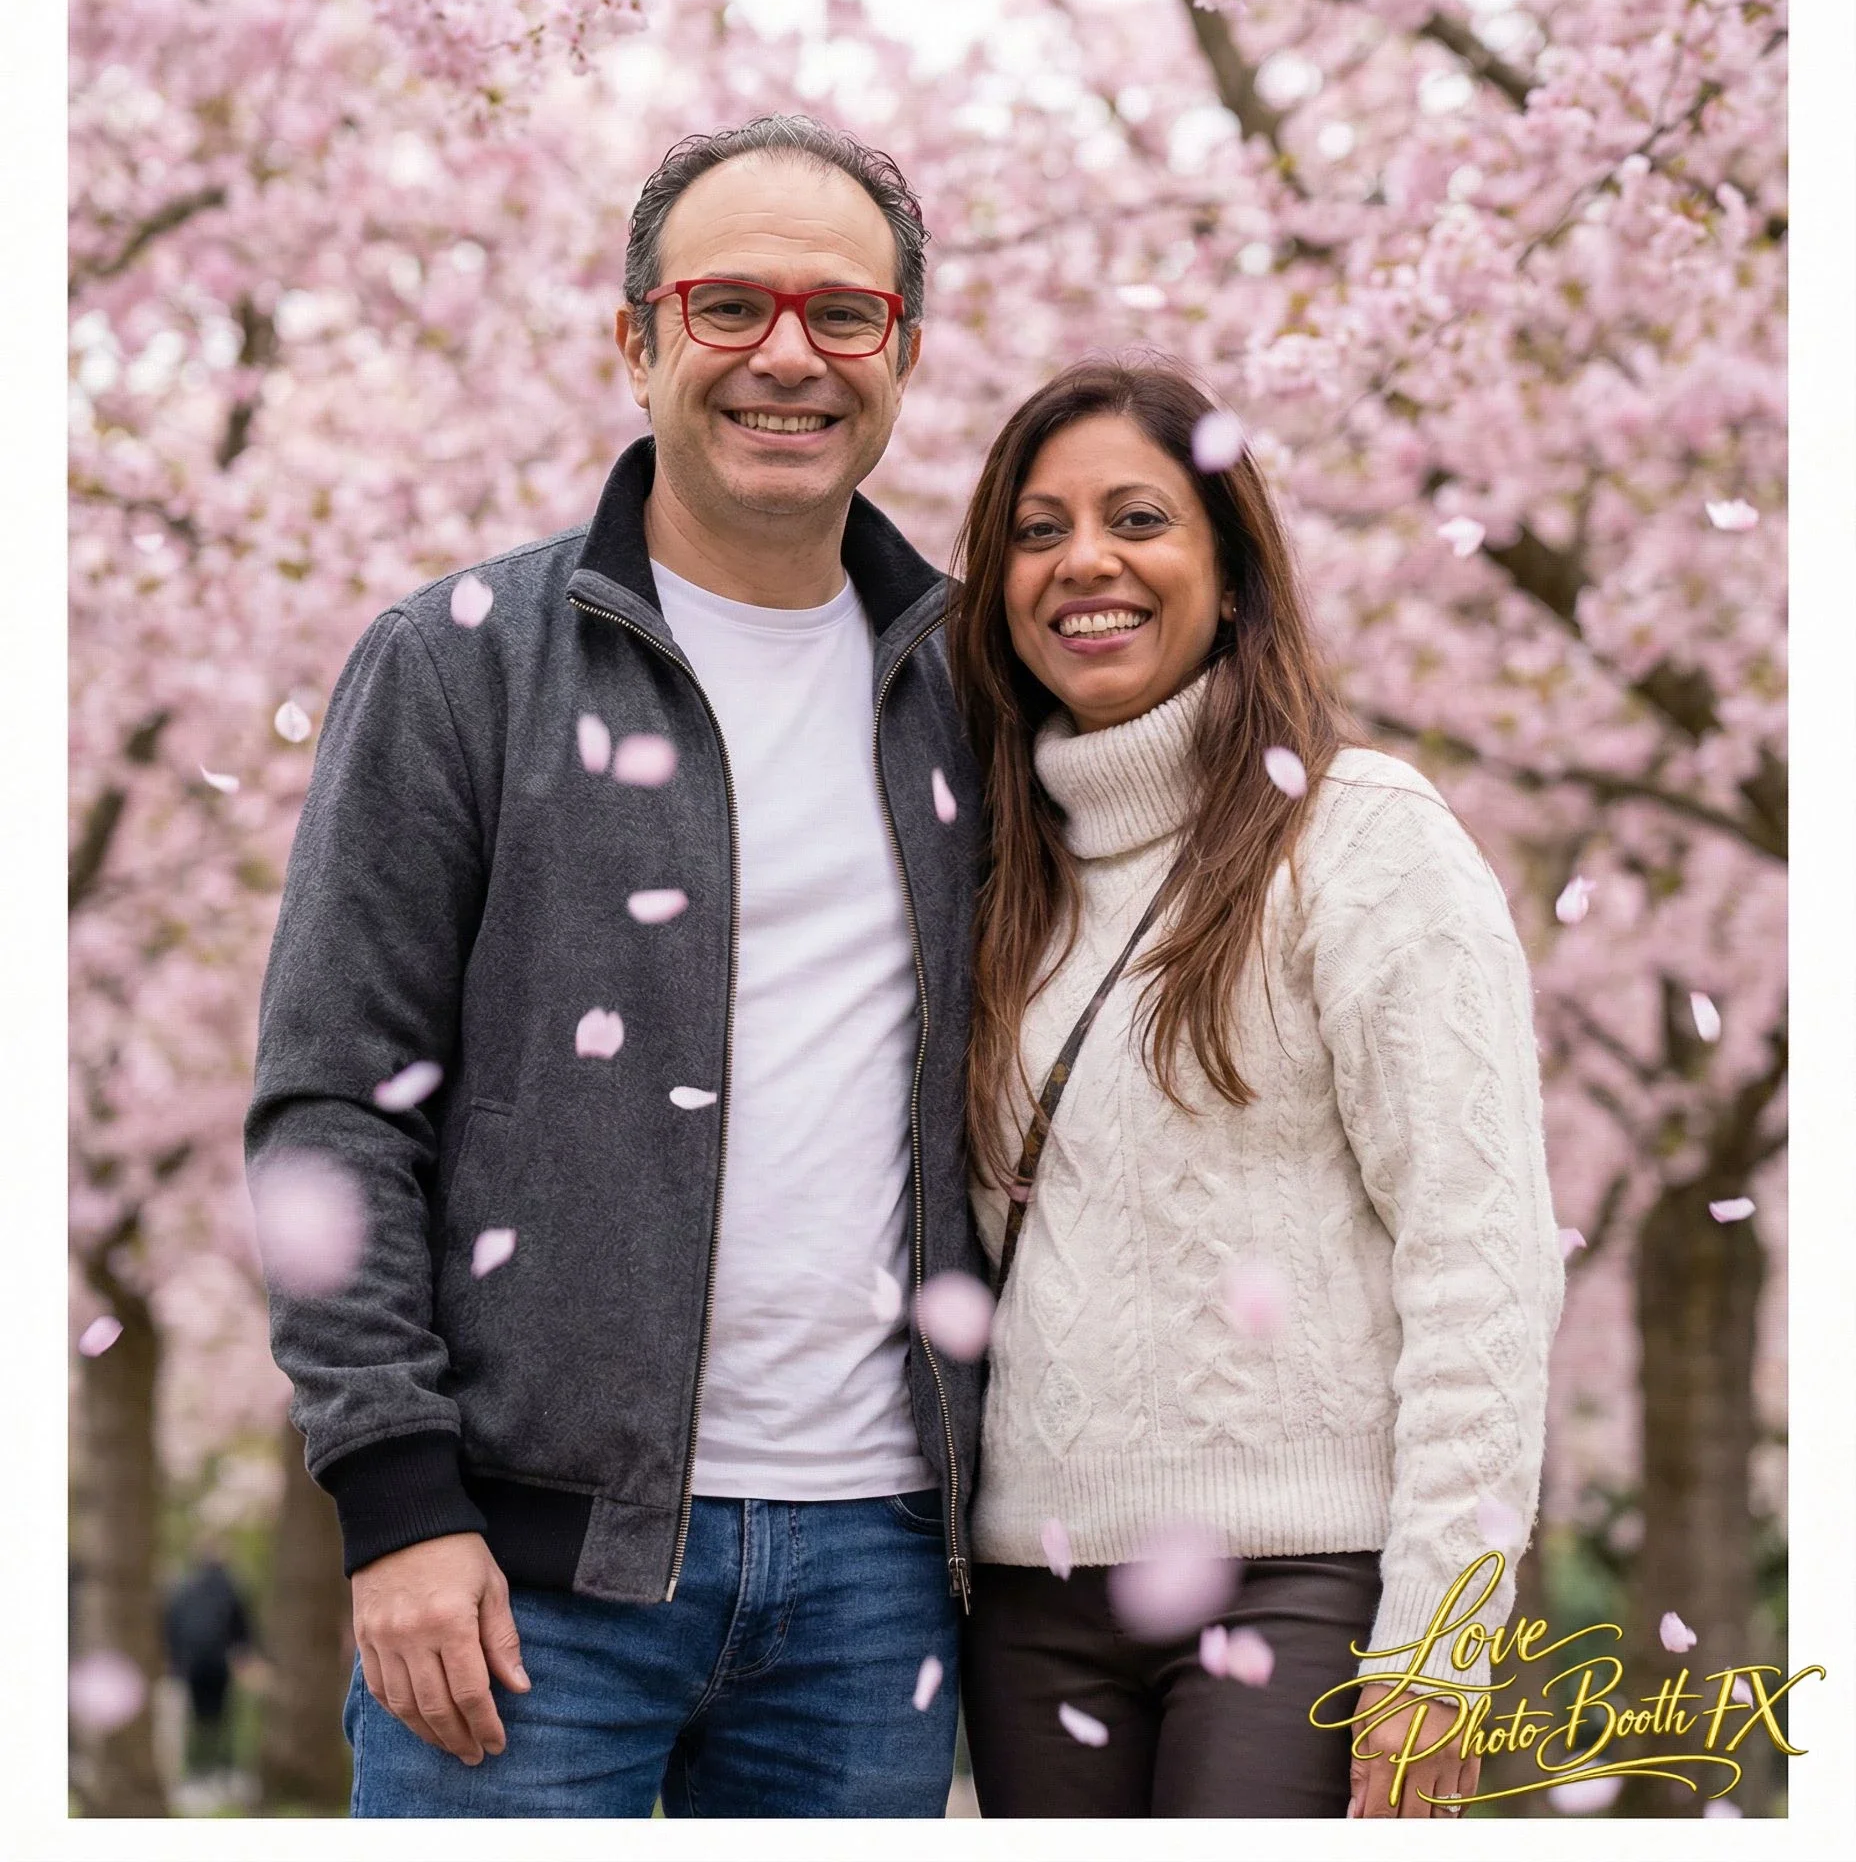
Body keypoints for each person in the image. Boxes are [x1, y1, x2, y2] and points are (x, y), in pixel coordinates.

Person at [247, 116, 987, 1818]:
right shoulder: (459, 666)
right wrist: (396, 1500)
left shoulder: (975, 692)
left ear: (903, 355)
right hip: (519, 1579)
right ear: (637, 339)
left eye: (843, 313)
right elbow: (330, 1107)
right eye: (728, 304)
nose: (787, 354)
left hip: (881, 1573)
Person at [946, 358, 1563, 1819]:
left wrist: (1440, 1643)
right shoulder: (996, 877)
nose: (1083, 561)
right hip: (1033, 1600)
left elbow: (1479, 1255)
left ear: (1230, 577)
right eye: (1037, 531)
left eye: (1137, 519)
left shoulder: (1363, 837)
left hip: (1302, 1581)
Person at [162, 1555, 254, 1777]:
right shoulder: (231, 1588)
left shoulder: (184, 1590)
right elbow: (242, 1629)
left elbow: (172, 1625)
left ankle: (198, 1766)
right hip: (219, 1664)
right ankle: (222, 1765)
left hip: (190, 1664)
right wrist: (244, 1656)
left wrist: (174, 1661)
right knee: (221, 1716)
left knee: (196, 1716)